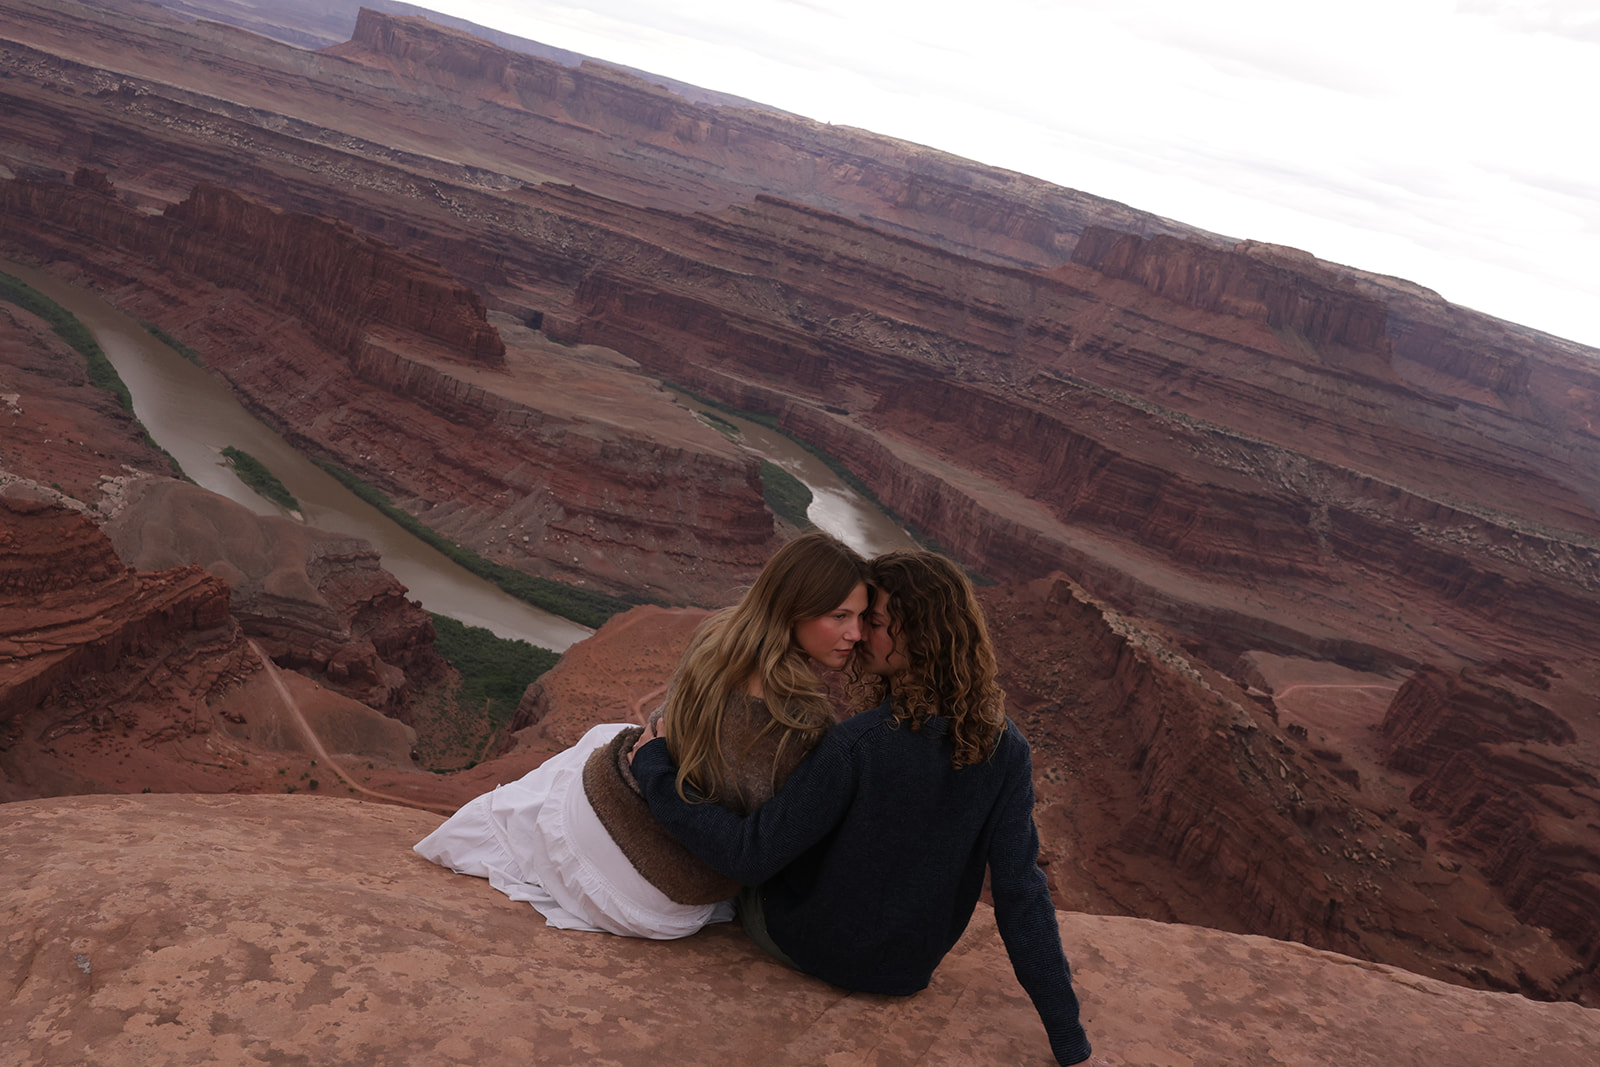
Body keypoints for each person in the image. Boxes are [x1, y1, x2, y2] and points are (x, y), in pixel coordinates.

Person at [631, 549, 1099, 1065]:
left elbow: (751, 857)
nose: (857, 636)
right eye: (849, 619)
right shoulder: (1006, 748)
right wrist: (1067, 1036)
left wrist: (654, 770)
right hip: (906, 971)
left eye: (873, 622)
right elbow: (1021, 894)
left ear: (918, 635)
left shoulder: (858, 745)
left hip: (805, 944)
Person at [414, 530, 869, 940]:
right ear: (794, 610)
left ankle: (466, 834)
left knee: (600, 743)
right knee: (607, 739)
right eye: (839, 615)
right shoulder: (803, 723)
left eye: (862, 618)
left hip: (612, 855)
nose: (856, 634)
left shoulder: (717, 641)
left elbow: (665, 732)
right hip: (662, 903)